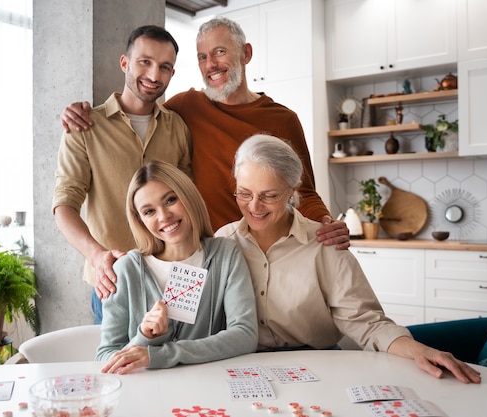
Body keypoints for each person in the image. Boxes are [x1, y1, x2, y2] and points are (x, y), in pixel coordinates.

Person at [215, 134, 482, 384]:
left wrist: (418, 349)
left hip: (317, 366)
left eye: (269, 196)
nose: (254, 207)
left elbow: (366, 321)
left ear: (292, 190)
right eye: (245, 193)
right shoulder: (223, 241)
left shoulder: (325, 244)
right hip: (240, 365)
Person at [60, 16, 348, 244]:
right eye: (202, 57)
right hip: (204, 255)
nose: (211, 65)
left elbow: (304, 193)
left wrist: (325, 222)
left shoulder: (283, 120)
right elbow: (139, 106)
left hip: (266, 252)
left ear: (246, 53)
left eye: (220, 52)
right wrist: (78, 111)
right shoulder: (186, 106)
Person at [52, 25, 191, 324]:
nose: (154, 76)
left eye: (164, 67)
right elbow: (64, 206)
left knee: (179, 367)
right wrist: (96, 255)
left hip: (172, 280)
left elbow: (188, 203)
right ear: (125, 62)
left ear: (172, 74)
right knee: (118, 368)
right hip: (113, 281)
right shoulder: (84, 126)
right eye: (145, 62)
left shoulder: (178, 127)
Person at [97, 160, 258, 373]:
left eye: (171, 200)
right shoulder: (126, 269)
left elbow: (245, 335)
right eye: (149, 211)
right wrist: (144, 337)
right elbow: (105, 357)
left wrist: (162, 354)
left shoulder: (225, 253)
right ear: (140, 220)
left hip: (210, 388)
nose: (164, 216)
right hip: (149, 395)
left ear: (188, 195)